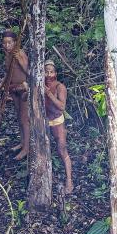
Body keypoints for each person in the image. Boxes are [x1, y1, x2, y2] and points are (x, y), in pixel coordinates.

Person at [0, 30, 30, 160]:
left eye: (9, 43)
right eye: (4, 43)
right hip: (13, 89)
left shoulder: (19, 54)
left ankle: (27, 148)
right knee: (19, 118)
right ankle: (22, 143)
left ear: (15, 43)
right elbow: (9, 72)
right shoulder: (8, 55)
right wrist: (1, 84)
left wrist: (20, 61)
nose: (7, 45)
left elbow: (28, 71)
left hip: (23, 89)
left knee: (24, 119)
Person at [44, 60, 73, 194]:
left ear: (55, 73)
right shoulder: (40, 85)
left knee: (62, 150)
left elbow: (62, 106)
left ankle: (69, 181)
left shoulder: (60, 87)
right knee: (44, 151)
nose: (48, 75)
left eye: (51, 72)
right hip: (43, 123)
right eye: (46, 72)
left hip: (57, 122)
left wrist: (49, 94)